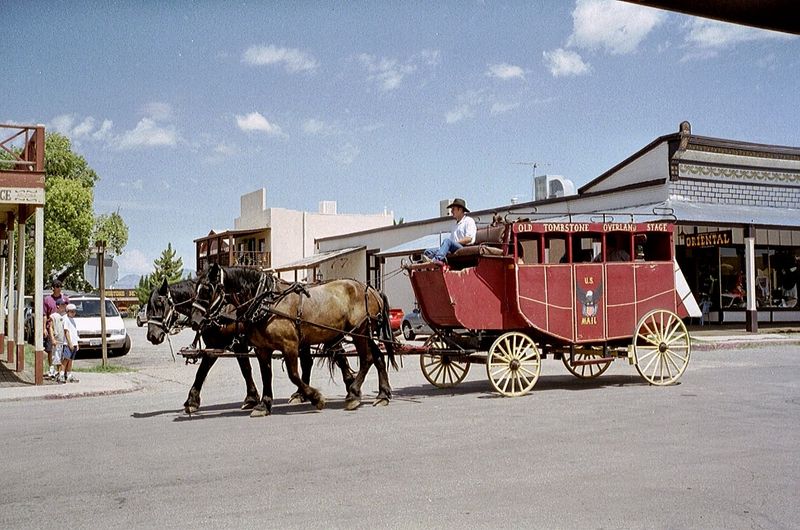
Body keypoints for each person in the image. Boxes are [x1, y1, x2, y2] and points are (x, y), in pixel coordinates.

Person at [422, 198, 477, 263]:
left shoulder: (469, 221)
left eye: (453, 209)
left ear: (460, 209)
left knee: (447, 241)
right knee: (428, 251)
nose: (451, 211)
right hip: (452, 247)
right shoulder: (454, 225)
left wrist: (454, 243)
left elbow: (469, 239)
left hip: (464, 247)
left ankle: (437, 260)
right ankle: (430, 262)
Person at [43, 280, 69, 375]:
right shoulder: (47, 299)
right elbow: (44, 314)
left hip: (62, 327)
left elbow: (69, 312)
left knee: (61, 349)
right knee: (50, 348)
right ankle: (51, 368)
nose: (58, 288)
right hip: (51, 326)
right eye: (56, 286)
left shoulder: (65, 298)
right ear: (53, 288)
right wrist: (44, 328)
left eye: (59, 286)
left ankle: (61, 370)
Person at [60, 303, 80, 383]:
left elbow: (74, 332)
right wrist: (70, 343)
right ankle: (61, 374)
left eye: (74, 311)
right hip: (68, 343)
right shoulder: (66, 319)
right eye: (72, 311)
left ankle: (69, 374)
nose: (73, 313)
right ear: (67, 311)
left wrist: (76, 343)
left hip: (74, 343)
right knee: (66, 359)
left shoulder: (73, 320)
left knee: (71, 360)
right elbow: (66, 332)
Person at [48, 299, 67, 381]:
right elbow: (51, 328)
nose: (64, 307)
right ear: (58, 306)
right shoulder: (54, 316)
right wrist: (52, 338)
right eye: (62, 305)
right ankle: (57, 373)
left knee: (63, 358)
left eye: (65, 305)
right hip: (57, 340)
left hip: (64, 341)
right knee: (56, 358)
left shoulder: (66, 316)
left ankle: (61, 373)